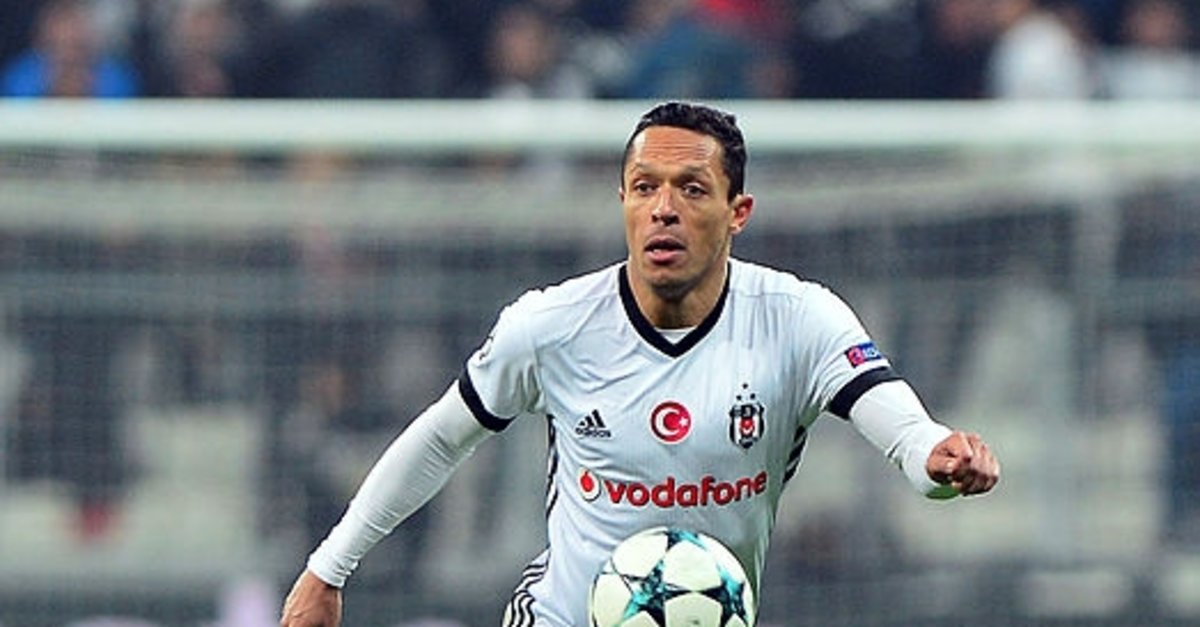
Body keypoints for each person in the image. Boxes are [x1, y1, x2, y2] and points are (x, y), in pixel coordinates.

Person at [278, 101, 1001, 627]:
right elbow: (441, 437)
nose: (664, 209)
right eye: (646, 186)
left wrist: (941, 462)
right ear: (622, 199)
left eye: (692, 188)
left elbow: (909, 437)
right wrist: (327, 569)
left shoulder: (798, 319)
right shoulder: (552, 325)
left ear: (738, 211)